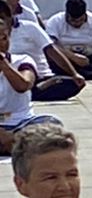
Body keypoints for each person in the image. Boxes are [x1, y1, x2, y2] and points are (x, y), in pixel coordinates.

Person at [3, 0, 85, 102]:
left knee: (72, 84)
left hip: (38, 76)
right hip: (9, 79)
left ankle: (26, 93)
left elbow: (52, 51)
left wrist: (74, 74)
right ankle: (26, 93)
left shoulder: (30, 27)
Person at [0, 24, 56, 154]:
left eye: (4, 38)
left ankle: (15, 144)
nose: (1, 43)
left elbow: (23, 86)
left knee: (51, 123)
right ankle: (17, 146)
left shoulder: (22, 61)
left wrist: (5, 66)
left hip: (22, 122)